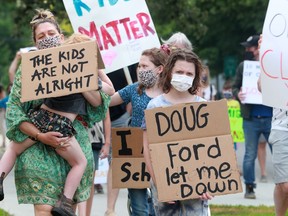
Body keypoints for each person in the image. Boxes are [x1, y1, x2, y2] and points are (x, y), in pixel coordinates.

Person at [2, 9, 111, 216]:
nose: (47, 39)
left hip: (71, 137)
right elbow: (15, 110)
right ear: (35, 44)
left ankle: (66, 203)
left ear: (61, 37)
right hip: (37, 143)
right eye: (41, 36)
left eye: (51, 34)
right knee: (44, 210)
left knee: (65, 207)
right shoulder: (28, 69)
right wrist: (40, 136)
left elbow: (100, 100)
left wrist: (85, 79)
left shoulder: (80, 64)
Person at [142, 49, 213, 215]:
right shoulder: (155, 106)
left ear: (195, 77)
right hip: (165, 181)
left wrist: (209, 181)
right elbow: (147, 147)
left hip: (198, 182)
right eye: (180, 72)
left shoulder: (203, 106)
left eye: (189, 73)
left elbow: (211, 147)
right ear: (169, 73)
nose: (184, 76)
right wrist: (159, 183)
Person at [110, 47, 168, 216]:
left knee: (161, 206)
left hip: (160, 154)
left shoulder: (170, 93)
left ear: (159, 69)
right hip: (135, 154)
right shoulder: (134, 89)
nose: (141, 70)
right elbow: (108, 101)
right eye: (139, 66)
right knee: (139, 209)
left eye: (145, 66)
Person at [232, 34, 272, 199]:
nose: (247, 50)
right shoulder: (243, 67)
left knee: (280, 153)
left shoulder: (271, 65)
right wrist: (238, 94)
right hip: (251, 118)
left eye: (250, 47)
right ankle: (249, 187)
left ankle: (283, 186)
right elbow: (235, 87)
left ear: (258, 48)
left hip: (271, 116)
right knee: (249, 154)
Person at [77, 110, 111, 216]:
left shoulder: (100, 93)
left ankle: (87, 214)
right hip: (71, 135)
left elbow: (106, 116)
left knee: (89, 180)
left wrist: (107, 143)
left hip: (93, 138)